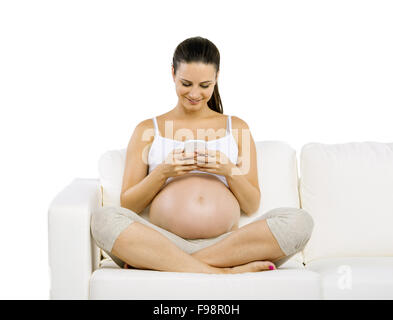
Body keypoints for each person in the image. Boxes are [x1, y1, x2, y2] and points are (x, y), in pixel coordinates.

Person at [91, 36, 314, 274]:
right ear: (172, 74)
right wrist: (163, 172)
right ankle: (220, 271)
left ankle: (171, 265)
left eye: (205, 86)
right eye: (186, 83)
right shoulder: (147, 129)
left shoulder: (236, 128)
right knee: (104, 219)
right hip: (162, 242)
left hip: (227, 245)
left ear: (216, 78)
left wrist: (228, 170)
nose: (195, 94)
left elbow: (251, 204)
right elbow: (129, 205)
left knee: (299, 222)